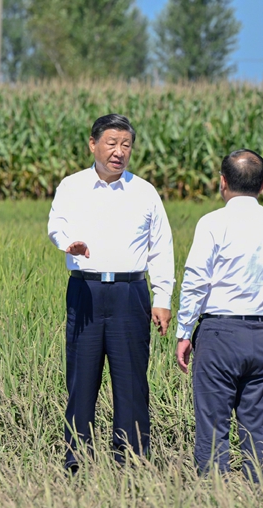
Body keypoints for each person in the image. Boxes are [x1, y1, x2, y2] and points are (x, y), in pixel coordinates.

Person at [47, 114, 175, 472]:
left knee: (131, 380)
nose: (119, 152)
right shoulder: (72, 186)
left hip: (130, 292)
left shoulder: (144, 191)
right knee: (81, 379)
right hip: (85, 291)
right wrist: (67, 244)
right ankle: (77, 459)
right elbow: (56, 224)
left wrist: (162, 298)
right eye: (111, 143)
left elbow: (161, 246)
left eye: (126, 145)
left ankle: (131, 460)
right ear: (93, 144)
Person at [175, 149, 263, 480]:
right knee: (257, 428)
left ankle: (214, 500)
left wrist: (184, 331)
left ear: (222, 182)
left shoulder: (213, 223)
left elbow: (196, 280)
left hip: (219, 334)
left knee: (213, 426)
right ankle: (258, 498)